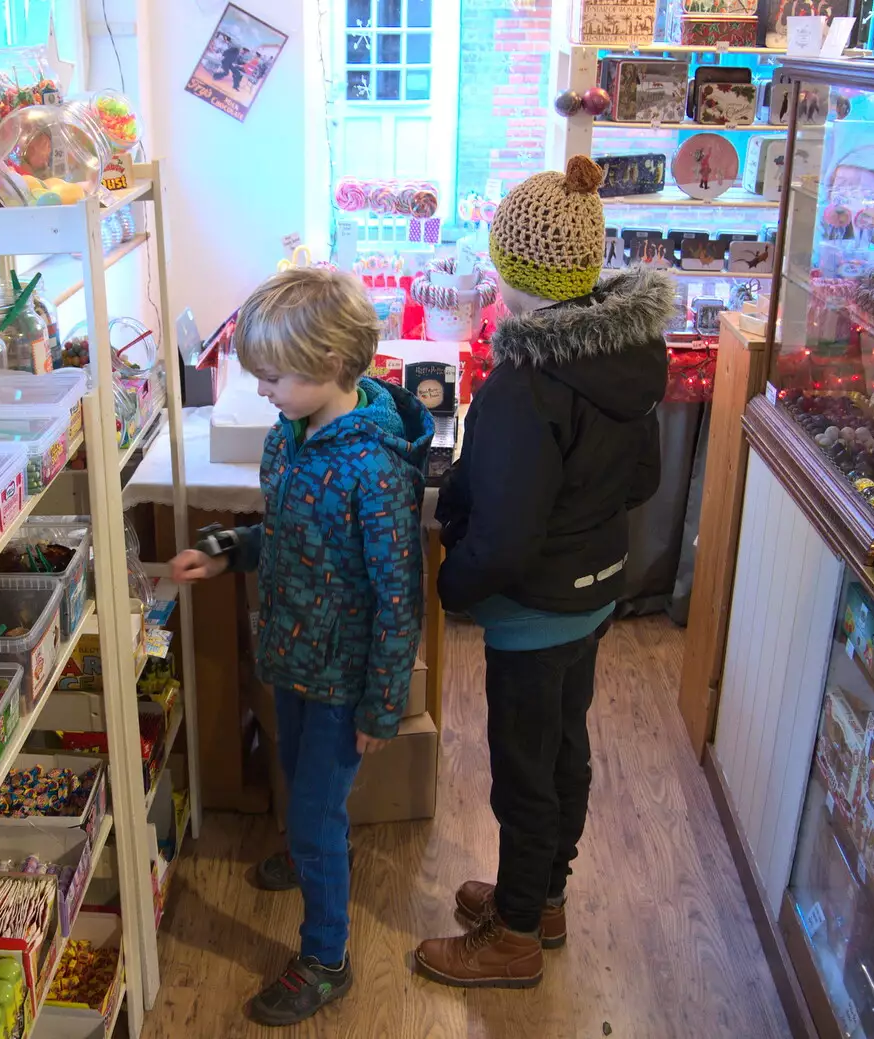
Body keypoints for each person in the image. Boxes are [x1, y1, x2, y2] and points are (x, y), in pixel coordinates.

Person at [413, 155, 671, 989]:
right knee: (564, 747)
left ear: (508, 268)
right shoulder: (626, 354)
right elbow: (644, 480)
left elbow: (509, 536)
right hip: (593, 591)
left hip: (534, 606)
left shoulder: (528, 382)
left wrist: (449, 587)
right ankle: (543, 893)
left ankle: (516, 934)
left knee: (523, 768)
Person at [171, 267, 431, 1025]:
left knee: (317, 810)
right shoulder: (292, 438)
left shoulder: (374, 468)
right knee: (294, 776)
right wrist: (226, 548)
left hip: (346, 678)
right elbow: (287, 537)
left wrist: (382, 705)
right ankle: (310, 850)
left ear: (327, 367)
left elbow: (399, 595)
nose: (264, 392)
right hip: (292, 653)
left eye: (273, 377)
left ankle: (326, 955)